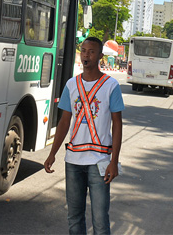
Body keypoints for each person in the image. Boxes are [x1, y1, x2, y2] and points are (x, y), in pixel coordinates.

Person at [44, 37, 123, 235]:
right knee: (74, 217)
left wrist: (114, 161)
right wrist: (52, 153)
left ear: (100, 56)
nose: (86, 55)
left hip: (99, 161)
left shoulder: (111, 86)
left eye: (91, 51)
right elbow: (64, 122)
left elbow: (117, 124)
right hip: (74, 161)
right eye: (84, 51)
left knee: (100, 220)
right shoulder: (71, 85)